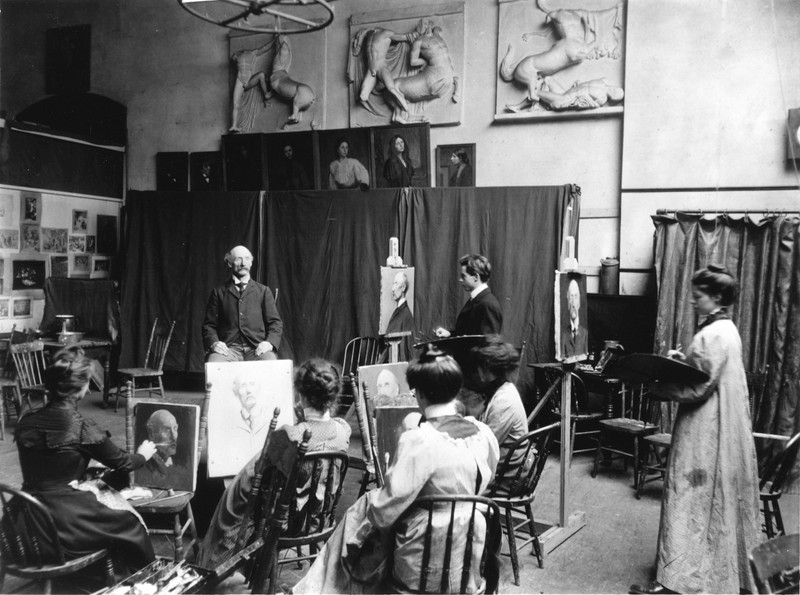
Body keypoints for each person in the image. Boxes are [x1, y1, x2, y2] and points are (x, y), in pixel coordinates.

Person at [293, 344, 500, 594]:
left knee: (361, 516)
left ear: (420, 395)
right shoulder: (483, 433)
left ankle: (318, 589)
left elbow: (384, 511)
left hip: (424, 557)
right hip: (469, 553)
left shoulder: (420, 440)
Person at [629, 265, 761, 595]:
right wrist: (682, 360)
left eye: (698, 296)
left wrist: (660, 386)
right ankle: (711, 573)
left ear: (717, 297)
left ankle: (677, 580)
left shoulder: (711, 334)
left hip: (705, 426)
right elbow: (704, 372)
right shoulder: (728, 329)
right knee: (709, 499)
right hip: (725, 423)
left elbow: (699, 387)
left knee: (687, 496)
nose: (692, 301)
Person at [14, 346, 158, 574]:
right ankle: (149, 580)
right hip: (59, 522)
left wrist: (76, 472)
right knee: (130, 524)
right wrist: (143, 454)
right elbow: (123, 462)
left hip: (22, 524)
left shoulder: (26, 421)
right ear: (80, 389)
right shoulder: (81, 427)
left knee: (100, 490)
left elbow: (50, 463)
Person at [197, 358, 351, 569]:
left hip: (283, 524)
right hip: (316, 520)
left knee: (240, 491)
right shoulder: (343, 430)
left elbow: (254, 478)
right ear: (332, 397)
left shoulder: (290, 436)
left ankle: (213, 565)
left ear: (301, 396)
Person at [464, 337, 527, 495]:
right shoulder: (502, 389)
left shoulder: (504, 401)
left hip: (508, 477)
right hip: (504, 467)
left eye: (480, 366)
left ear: (486, 368)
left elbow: (484, 447)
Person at [202, 245, 283, 362]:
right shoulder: (218, 292)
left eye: (247, 259)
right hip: (228, 349)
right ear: (229, 263)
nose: (243, 263)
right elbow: (209, 325)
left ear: (251, 263)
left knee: (270, 362)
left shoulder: (263, 291)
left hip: (256, 348)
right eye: (238, 259)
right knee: (214, 363)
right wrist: (214, 343)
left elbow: (275, 323)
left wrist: (269, 343)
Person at [435, 254, 503, 338]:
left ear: (476, 277)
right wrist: (449, 334)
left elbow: (489, 347)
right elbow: (467, 334)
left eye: (463, 276)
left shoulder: (488, 304)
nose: (460, 279)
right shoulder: (477, 299)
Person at [135, 409, 193, 491]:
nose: (174, 437)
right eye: (167, 430)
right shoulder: (145, 467)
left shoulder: (178, 464)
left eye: (175, 428)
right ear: (151, 433)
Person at [230, 41, 271, 133]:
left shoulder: (252, 53)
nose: (244, 51)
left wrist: (275, 39)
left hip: (248, 80)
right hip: (239, 81)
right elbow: (233, 58)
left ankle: (266, 94)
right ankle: (234, 125)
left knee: (261, 75)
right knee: (235, 104)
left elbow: (265, 48)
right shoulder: (236, 55)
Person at [537, 76, 624, 111]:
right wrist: (579, 84)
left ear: (613, 98)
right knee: (548, 79)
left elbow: (590, 104)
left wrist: (581, 99)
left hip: (565, 100)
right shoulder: (603, 81)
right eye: (616, 90)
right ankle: (540, 103)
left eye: (615, 94)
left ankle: (540, 100)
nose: (614, 91)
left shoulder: (602, 99)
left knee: (537, 93)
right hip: (566, 92)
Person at [384, 271, 415, 362]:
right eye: (393, 284)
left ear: (403, 288)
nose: (392, 289)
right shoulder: (398, 311)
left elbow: (404, 349)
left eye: (396, 283)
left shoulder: (405, 314)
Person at [562, 278, 588, 358]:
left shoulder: (585, 333)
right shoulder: (563, 334)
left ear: (579, 302)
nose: (573, 304)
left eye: (576, 296)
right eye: (571, 296)